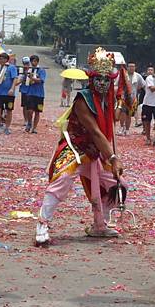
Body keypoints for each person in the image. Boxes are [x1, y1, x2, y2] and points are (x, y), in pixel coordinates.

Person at [35, 47, 124, 245]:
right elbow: (95, 132)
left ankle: (99, 224)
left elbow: (114, 121)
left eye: (106, 79)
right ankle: (42, 223)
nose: (102, 83)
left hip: (97, 151)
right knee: (62, 180)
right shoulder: (83, 99)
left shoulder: (108, 100)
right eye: (98, 79)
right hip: (76, 148)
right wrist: (113, 157)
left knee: (116, 184)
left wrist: (120, 102)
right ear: (91, 80)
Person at [18, 54, 45, 134]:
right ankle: (29, 122)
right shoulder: (28, 70)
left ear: (37, 62)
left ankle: (34, 128)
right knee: (29, 110)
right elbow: (22, 79)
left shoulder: (41, 70)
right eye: (32, 61)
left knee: (37, 111)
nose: (34, 63)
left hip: (39, 94)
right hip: (30, 92)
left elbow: (41, 80)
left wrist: (32, 78)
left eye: (35, 61)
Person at [0, 52, 18, 135]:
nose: (0, 60)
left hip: (9, 93)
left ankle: (7, 127)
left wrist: (12, 88)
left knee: (9, 110)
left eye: (2, 58)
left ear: (6, 59)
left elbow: (14, 79)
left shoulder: (11, 68)